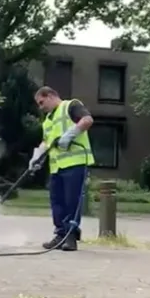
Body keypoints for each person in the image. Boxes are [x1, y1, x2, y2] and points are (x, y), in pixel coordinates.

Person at [31, 86, 95, 251]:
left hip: (75, 163)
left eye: (41, 102)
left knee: (72, 201)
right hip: (57, 167)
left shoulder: (71, 106)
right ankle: (60, 235)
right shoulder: (48, 120)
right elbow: (47, 142)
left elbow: (87, 120)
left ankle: (70, 237)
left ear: (50, 96)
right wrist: (37, 156)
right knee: (57, 203)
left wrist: (70, 135)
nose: (40, 107)